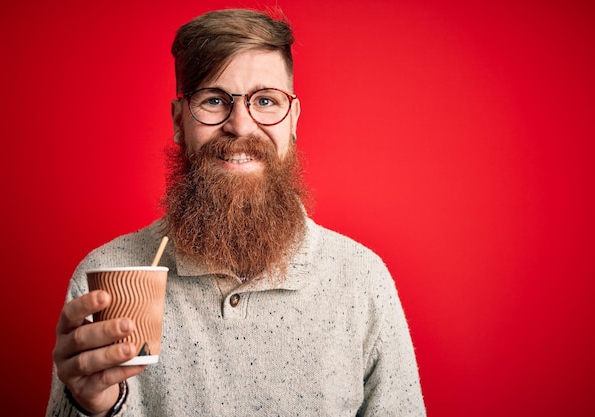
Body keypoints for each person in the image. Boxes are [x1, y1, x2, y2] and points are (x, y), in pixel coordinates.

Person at [47, 8, 425, 416]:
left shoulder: (360, 280)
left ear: (293, 120)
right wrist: (91, 406)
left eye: (266, 101)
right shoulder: (106, 278)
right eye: (213, 100)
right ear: (179, 121)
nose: (241, 126)